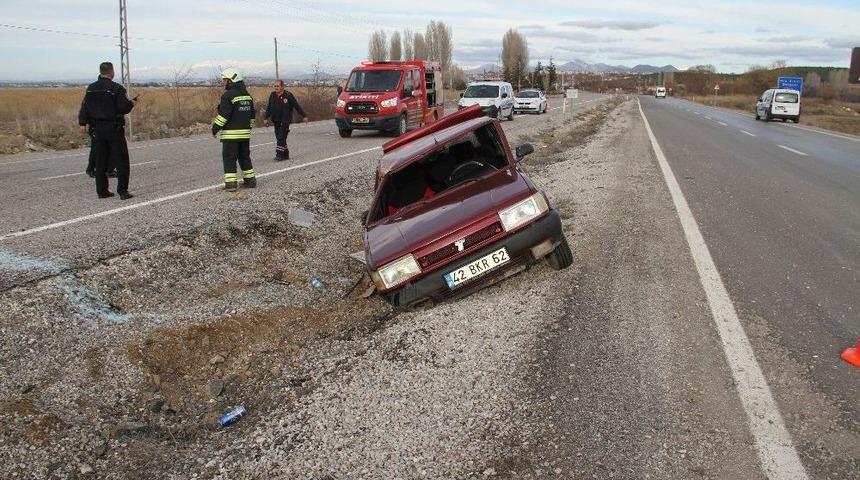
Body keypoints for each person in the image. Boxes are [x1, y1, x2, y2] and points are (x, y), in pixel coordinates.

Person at [78, 62, 136, 199]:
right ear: (112, 72)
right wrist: (132, 103)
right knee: (121, 160)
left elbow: (84, 108)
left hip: (96, 129)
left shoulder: (91, 89)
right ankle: (123, 191)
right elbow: (123, 108)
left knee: (100, 160)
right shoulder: (116, 88)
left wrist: (82, 123)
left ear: (100, 71)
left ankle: (102, 191)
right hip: (113, 128)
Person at [212, 68, 256, 191]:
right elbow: (252, 115)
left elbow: (223, 115)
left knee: (229, 158)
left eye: (226, 80)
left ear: (232, 80)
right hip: (245, 135)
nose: (224, 82)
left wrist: (215, 128)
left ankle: (231, 185)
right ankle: (250, 181)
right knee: (244, 157)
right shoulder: (247, 95)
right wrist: (248, 128)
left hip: (231, 136)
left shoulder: (228, 95)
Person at [264, 80, 308, 161]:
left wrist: (304, 115)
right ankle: (285, 154)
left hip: (285, 120)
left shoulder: (288, 95)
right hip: (276, 120)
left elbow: (296, 105)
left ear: (282, 87)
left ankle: (279, 154)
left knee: (281, 137)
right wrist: (266, 118)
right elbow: (269, 107)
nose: (276, 88)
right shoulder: (272, 95)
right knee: (279, 138)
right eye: (275, 86)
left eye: (278, 86)